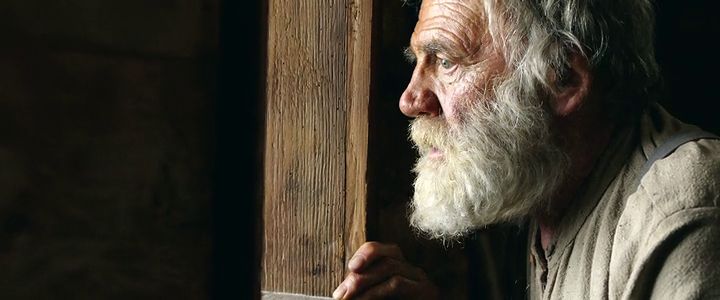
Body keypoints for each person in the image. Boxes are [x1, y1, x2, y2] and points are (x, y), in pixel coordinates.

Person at [333, 0, 720, 299]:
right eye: (418, 62)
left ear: (563, 79)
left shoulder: (683, 209)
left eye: (447, 62)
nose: (410, 100)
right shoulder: (537, 183)